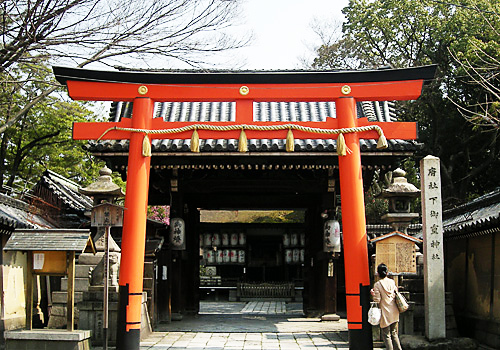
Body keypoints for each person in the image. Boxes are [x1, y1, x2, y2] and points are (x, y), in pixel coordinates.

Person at [371, 263, 402, 350]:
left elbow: (377, 299)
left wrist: (373, 294)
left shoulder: (377, 284)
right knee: (394, 333)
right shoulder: (392, 282)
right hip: (394, 310)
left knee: (386, 335)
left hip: (385, 311)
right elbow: (396, 292)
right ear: (387, 272)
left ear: (378, 273)